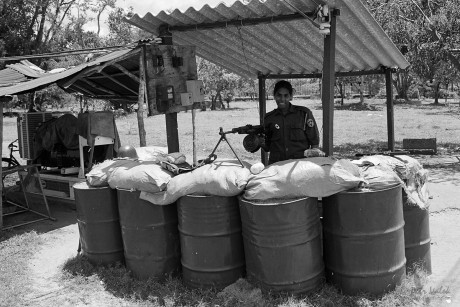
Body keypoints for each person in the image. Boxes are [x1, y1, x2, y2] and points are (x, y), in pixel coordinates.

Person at [260, 80, 322, 164]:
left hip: (299, 165)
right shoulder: (269, 118)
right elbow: (267, 147)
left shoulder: (304, 114)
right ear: (274, 96)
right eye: (279, 95)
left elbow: (314, 142)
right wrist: (258, 141)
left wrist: (311, 163)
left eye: (286, 95)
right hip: (277, 165)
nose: (282, 99)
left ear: (291, 96)